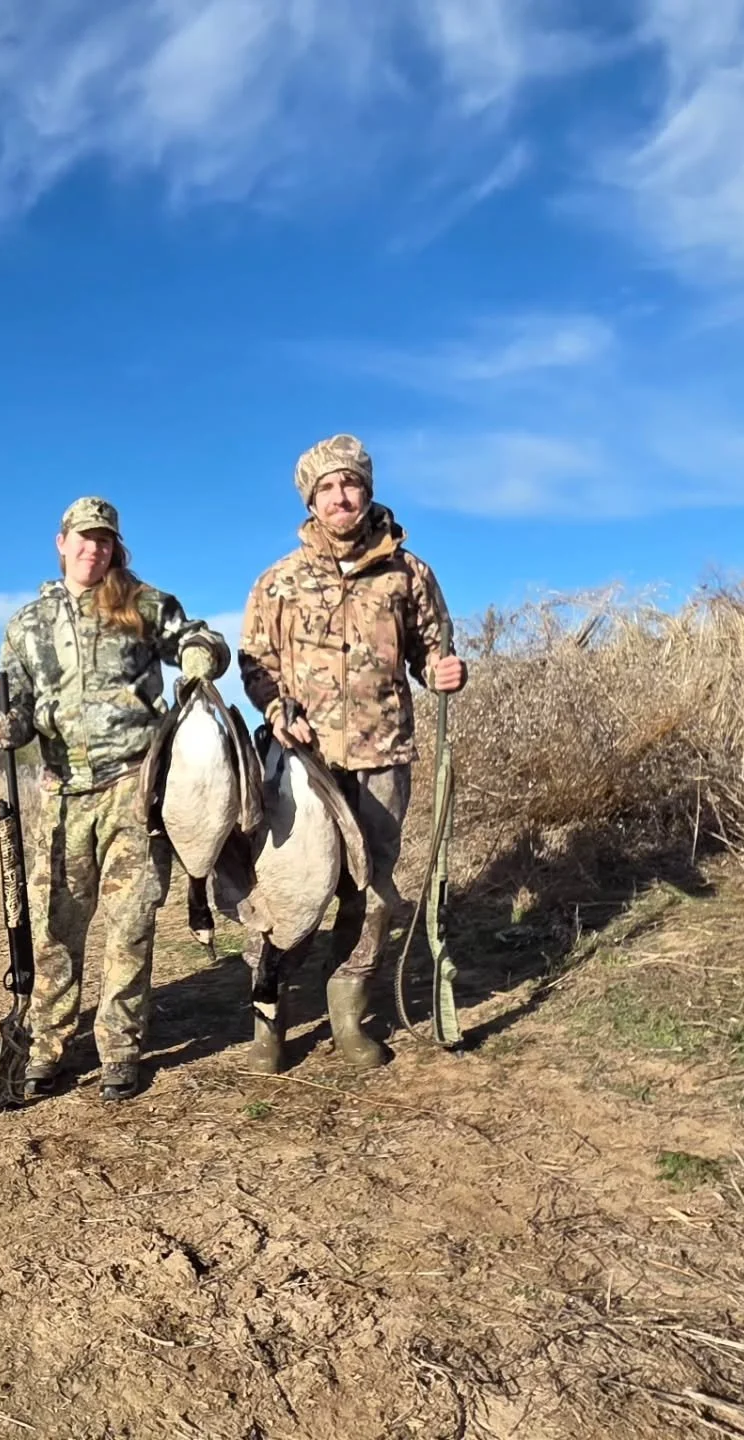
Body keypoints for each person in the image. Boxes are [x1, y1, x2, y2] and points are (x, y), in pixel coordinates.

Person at [0, 498, 230, 1103]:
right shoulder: (26, 624)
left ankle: (120, 1048)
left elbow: (202, 637)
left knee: (131, 925)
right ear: (61, 542)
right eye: (83, 538)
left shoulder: (142, 603)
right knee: (53, 928)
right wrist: (8, 727)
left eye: (104, 540)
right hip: (62, 794)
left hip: (132, 787)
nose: (93, 549)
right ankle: (47, 1047)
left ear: (114, 547)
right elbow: (12, 701)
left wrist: (198, 667)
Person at [238, 435, 467, 1069]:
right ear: (311, 500)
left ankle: (347, 1014)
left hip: (383, 756)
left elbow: (430, 651)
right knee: (286, 889)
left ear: (366, 490)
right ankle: (269, 1016)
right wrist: (277, 710)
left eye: (351, 485)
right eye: (328, 488)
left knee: (372, 892)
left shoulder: (409, 572)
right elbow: (255, 661)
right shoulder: (279, 578)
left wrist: (444, 672)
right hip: (302, 765)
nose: (342, 498)